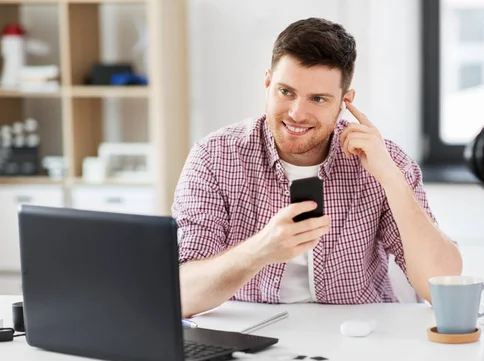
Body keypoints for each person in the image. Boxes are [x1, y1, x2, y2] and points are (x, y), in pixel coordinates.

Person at [173, 17, 462, 317]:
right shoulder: (214, 157)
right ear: (268, 82)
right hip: (250, 333)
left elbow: (443, 286)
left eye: (318, 99)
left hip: (360, 339)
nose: (297, 113)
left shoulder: (385, 160)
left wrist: (392, 179)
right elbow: (180, 296)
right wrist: (259, 250)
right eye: (286, 92)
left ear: (344, 102)